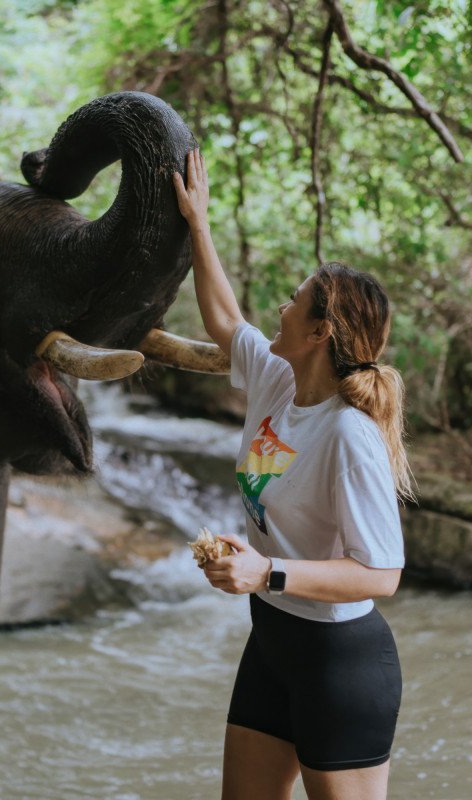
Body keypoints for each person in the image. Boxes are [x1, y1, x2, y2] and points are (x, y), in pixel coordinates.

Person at [172, 149, 412, 800]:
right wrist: (198, 223)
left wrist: (266, 570)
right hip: (272, 642)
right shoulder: (280, 380)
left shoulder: (348, 434)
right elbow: (225, 320)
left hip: (339, 664)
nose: (281, 305)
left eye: (294, 299)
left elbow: (382, 573)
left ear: (319, 330)